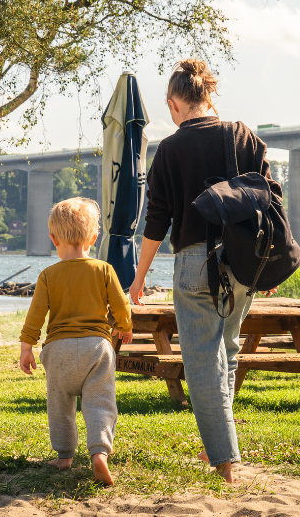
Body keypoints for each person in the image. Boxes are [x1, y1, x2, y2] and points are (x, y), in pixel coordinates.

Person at [128, 59, 278, 485]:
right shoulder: (243, 134)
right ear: (208, 96)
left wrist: (139, 277)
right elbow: (271, 198)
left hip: (196, 261)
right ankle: (219, 444)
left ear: (175, 104)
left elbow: (156, 220)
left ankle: (225, 462)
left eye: (169, 108)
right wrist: (267, 263)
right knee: (225, 352)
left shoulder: (170, 149)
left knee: (200, 363)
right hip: (246, 260)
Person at [18, 197, 134, 487]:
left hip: (58, 350)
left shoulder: (48, 275)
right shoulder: (104, 269)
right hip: (97, 347)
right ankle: (99, 454)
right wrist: (125, 326)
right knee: (100, 403)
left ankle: (65, 456)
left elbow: (35, 316)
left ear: (53, 239)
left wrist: (26, 346)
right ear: (94, 238)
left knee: (59, 406)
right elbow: (121, 305)